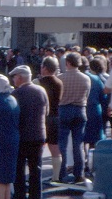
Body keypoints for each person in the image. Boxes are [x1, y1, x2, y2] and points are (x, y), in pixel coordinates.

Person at [9, 65, 49, 199]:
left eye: (14, 77)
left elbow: (13, 116)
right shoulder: (41, 90)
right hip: (39, 135)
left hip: (22, 136)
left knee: (19, 170)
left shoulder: (16, 93)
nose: (13, 79)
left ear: (19, 77)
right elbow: (47, 112)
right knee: (35, 170)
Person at [57, 51, 91, 183]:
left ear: (68, 63)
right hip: (80, 109)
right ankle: (79, 173)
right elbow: (86, 96)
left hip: (64, 109)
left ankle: (61, 173)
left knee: (62, 144)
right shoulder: (86, 78)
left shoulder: (61, 78)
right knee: (78, 144)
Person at [37, 56, 64, 182]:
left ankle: (36, 175)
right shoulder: (59, 83)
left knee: (39, 147)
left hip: (42, 118)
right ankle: (56, 176)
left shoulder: (38, 82)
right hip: (56, 116)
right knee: (55, 148)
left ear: (45, 68)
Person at [83, 57, 108, 175]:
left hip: (82, 109)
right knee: (94, 140)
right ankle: (92, 164)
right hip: (94, 110)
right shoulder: (97, 80)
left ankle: (82, 163)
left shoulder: (83, 77)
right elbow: (104, 97)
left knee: (81, 140)